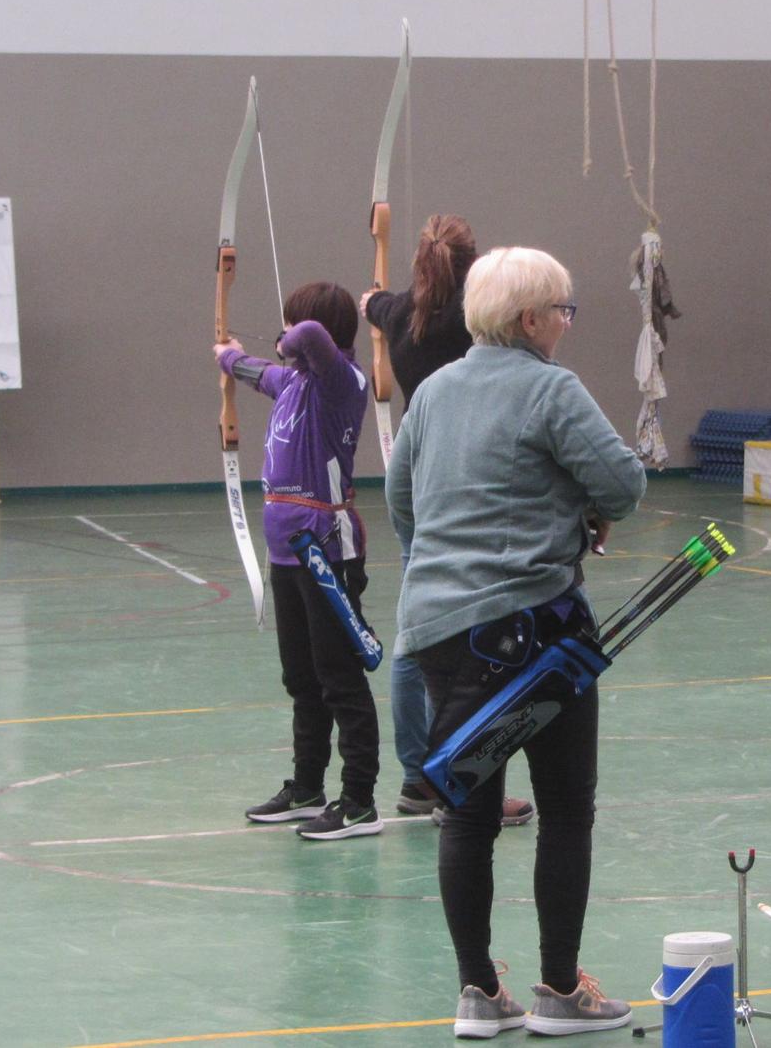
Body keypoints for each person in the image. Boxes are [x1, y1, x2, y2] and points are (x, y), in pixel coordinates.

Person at [387, 246, 647, 1037]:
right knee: (567, 808)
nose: (567, 325)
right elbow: (626, 485)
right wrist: (574, 511)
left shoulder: (433, 392)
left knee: (466, 811)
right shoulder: (549, 387)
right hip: (534, 632)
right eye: (564, 310)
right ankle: (560, 990)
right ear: (531, 319)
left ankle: (477, 992)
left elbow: (402, 499)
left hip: (438, 628)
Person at [363, 214, 532, 830]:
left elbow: (372, 303)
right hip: (468, 482)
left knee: (418, 628)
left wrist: (371, 297)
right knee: (483, 631)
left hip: (417, 478)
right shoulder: (473, 320)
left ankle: (419, 777)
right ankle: (463, 775)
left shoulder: (400, 312)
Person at [218, 282, 381, 841]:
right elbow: (256, 370)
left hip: (325, 549)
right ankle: (307, 786)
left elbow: (308, 336)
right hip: (286, 552)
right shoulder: (293, 382)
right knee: (302, 677)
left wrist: (293, 333)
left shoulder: (342, 382)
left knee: (340, 676)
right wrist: (229, 356)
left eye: (290, 325)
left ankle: (359, 799)